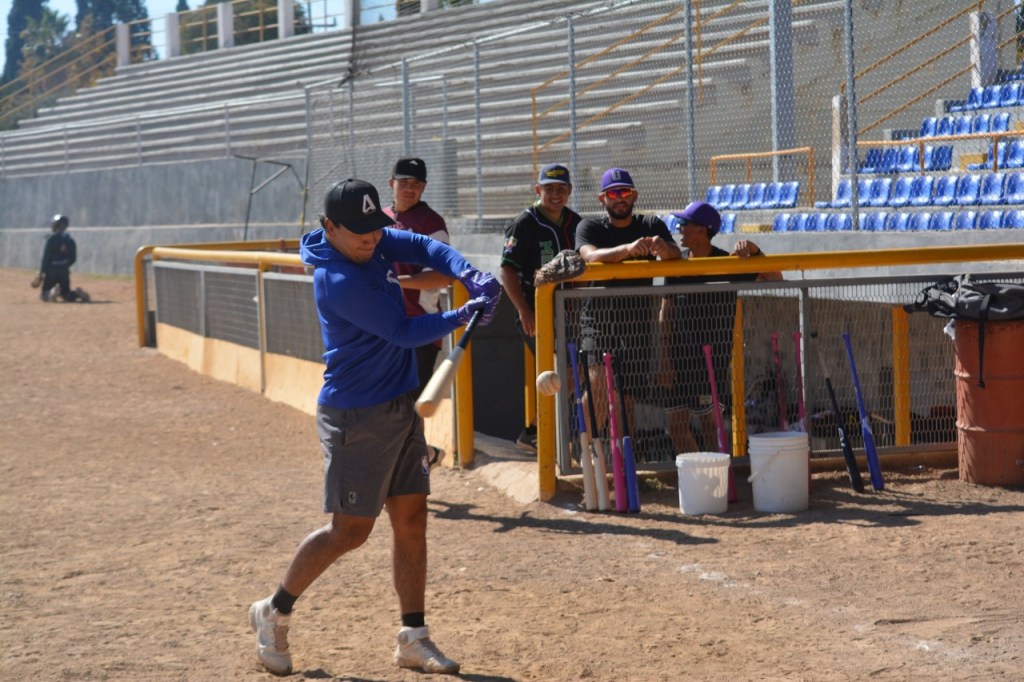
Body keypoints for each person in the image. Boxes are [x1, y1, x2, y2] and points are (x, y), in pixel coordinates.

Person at [249, 178, 501, 676]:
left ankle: (414, 637)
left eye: (375, 228)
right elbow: (402, 332)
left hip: (400, 403)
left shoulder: (371, 241)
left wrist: (467, 272)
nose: (372, 239)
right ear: (329, 228)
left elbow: (426, 245)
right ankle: (273, 611)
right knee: (349, 532)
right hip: (355, 415)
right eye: (360, 232)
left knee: (411, 521)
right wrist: (464, 311)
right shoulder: (338, 281)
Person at [658, 200, 783, 454]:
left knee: (710, 426)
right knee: (676, 427)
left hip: (712, 363)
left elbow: (775, 277)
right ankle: (700, 475)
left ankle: (719, 480)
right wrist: (665, 359)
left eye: (685, 224)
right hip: (678, 360)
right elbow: (666, 311)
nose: (679, 229)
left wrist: (755, 250)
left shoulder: (728, 262)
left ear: (702, 230)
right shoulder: (677, 263)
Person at [575, 167, 682, 437]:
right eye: (613, 193)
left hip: (637, 322)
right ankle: (582, 452)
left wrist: (662, 247)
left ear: (634, 195)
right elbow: (590, 256)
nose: (619, 198)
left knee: (627, 400)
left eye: (624, 192)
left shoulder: (651, 225)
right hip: (599, 321)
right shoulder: (589, 227)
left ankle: (623, 466)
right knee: (599, 385)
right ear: (602, 199)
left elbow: (674, 255)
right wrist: (627, 249)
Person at [500, 162, 582, 451]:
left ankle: (537, 431)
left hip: (572, 312)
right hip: (538, 314)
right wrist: (524, 311)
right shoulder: (524, 222)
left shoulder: (576, 222)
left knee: (575, 371)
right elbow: (507, 270)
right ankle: (539, 433)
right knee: (558, 373)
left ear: (569, 191)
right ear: (538, 190)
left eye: (561, 189)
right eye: (549, 189)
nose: (555, 194)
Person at [384, 157, 452, 465]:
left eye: (416, 184)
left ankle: (417, 464)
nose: (409, 189)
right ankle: (423, 455)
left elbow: (443, 275)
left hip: (420, 329)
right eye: (404, 183)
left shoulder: (431, 224)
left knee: (409, 404)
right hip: (383, 327)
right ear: (391, 184)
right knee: (388, 404)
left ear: (423, 188)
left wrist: (398, 283)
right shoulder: (378, 220)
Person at [36, 214, 89, 302]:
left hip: (51, 271)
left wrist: (41, 272)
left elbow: (46, 258)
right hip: (64, 271)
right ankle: (77, 294)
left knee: (44, 294)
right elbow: (73, 258)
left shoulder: (51, 239)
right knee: (66, 294)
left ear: (56, 226)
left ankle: (52, 293)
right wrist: (65, 265)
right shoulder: (70, 240)